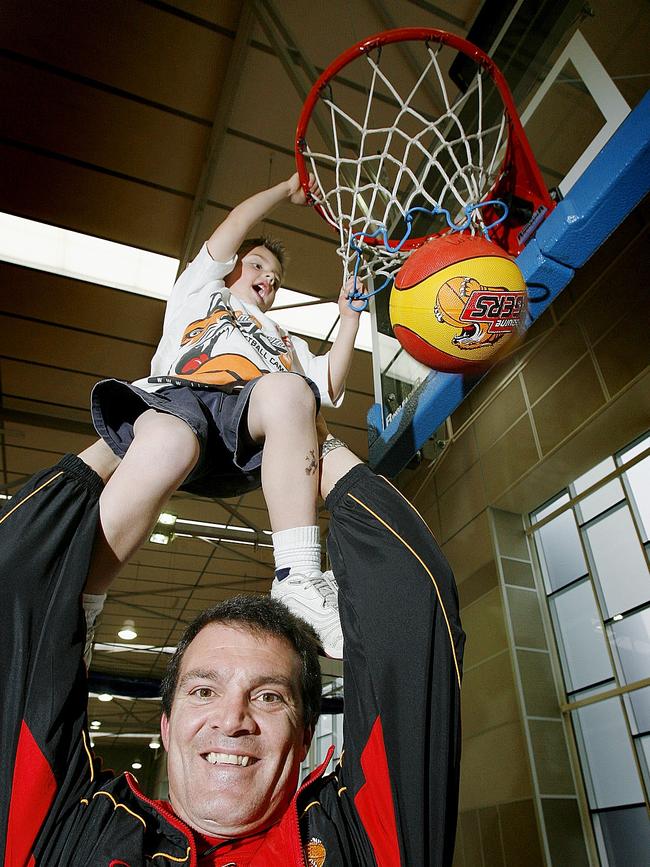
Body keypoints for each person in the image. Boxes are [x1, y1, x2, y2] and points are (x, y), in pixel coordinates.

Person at [0, 430, 464, 866]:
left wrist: (306, 430)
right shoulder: (73, 834)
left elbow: (413, 612)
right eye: (203, 691)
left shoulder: (358, 840)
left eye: (268, 696)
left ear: (305, 736)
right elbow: (17, 610)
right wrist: (134, 430)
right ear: (166, 725)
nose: (231, 720)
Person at [81, 172, 365, 658]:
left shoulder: (284, 340)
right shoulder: (202, 293)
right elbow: (237, 223)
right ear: (231, 267)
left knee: (295, 392)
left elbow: (331, 384)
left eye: (275, 279)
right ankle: (82, 608)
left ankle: (297, 577)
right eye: (257, 265)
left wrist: (351, 317)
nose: (268, 280)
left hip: (243, 427)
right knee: (166, 446)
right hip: (181, 398)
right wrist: (285, 190)